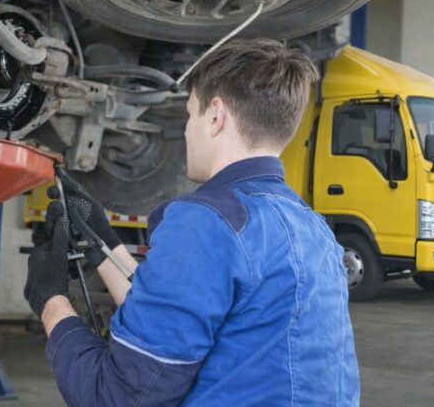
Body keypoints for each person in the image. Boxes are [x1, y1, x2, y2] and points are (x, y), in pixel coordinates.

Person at [23, 38, 360, 406]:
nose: (186, 131)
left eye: (188, 114)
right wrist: (101, 241)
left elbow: (118, 396)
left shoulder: (209, 222)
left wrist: (51, 299)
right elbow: (176, 320)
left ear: (215, 116)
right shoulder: (316, 231)